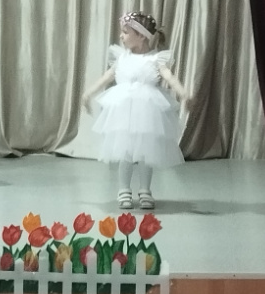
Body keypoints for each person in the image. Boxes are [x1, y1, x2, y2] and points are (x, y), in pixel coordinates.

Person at [81, 11, 192, 210]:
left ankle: (145, 190)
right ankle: (124, 190)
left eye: (125, 32)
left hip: (147, 112)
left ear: (140, 36)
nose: (121, 36)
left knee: (144, 154)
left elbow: (169, 77)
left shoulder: (155, 59)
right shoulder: (121, 58)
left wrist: (183, 93)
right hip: (123, 113)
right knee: (125, 152)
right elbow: (106, 77)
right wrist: (88, 93)